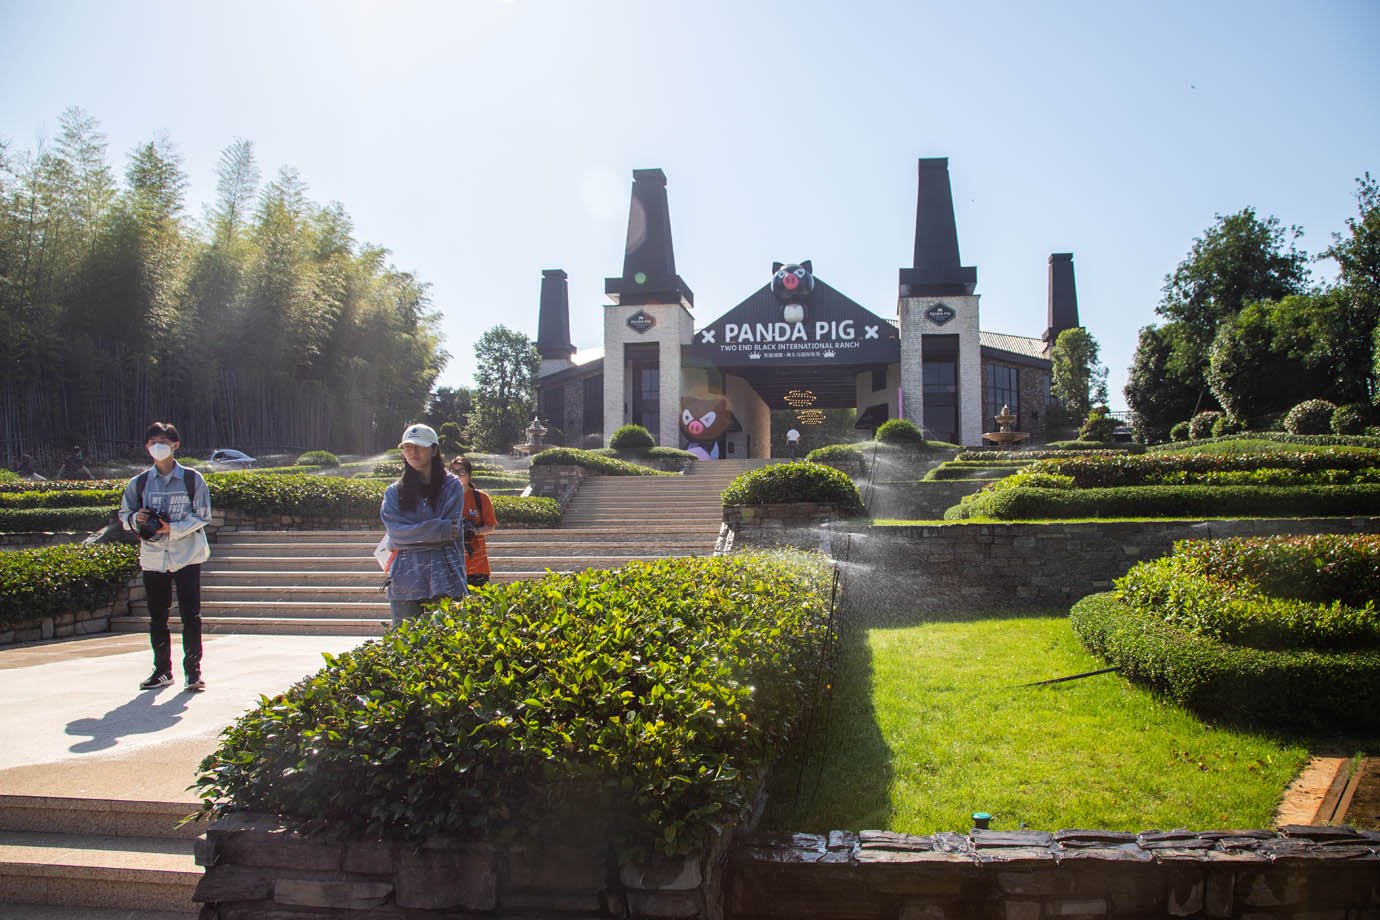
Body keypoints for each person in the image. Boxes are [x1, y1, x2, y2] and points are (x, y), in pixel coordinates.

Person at [120, 422, 211, 692]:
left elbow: (203, 515)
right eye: (152, 442)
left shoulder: (192, 479)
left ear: (175, 444)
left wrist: (173, 528)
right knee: (157, 616)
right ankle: (162, 671)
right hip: (153, 556)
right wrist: (137, 519)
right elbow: (124, 517)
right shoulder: (139, 483)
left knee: (190, 615)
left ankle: (193, 672)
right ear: (147, 447)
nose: (157, 446)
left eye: (163, 441)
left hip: (187, 554)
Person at [380, 423, 468, 627]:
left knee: (447, 648)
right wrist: (437, 530)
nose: (412, 451)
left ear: (434, 450)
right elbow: (394, 533)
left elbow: (451, 530)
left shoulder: (451, 485)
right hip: (405, 582)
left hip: (446, 581)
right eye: (407, 447)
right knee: (404, 649)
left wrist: (406, 537)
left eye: (419, 446)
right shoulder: (394, 492)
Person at [450, 456, 498, 588]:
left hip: (477, 565)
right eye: (454, 472)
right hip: (451, 565)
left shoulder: (480, 498)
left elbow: (490, 526)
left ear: (469, 474)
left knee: (477, 606)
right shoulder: (444, 499)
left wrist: (473, 531)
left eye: (462, 472)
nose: (458, 476)